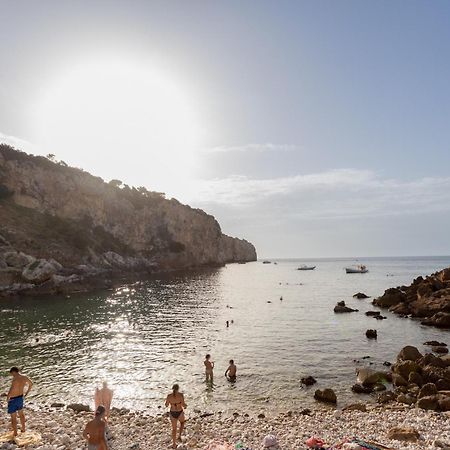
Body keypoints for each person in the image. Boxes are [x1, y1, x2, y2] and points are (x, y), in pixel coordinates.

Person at [6, 367, 33, 437]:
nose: (12, 375)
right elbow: (31, 384)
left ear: (14, 372)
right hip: (20, 397)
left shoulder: (15, 379)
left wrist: (7, 398)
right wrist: (27, 393)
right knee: (21, 413)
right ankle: (23, 428)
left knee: (13, 417)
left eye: (12, 374)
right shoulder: (25, 377)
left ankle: (15, 433)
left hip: (13, 399)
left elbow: (11, 389)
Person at [165, 384, 187, 449]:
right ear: (178, 389)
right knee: (182, 422)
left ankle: (174, 443)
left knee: (174, 429)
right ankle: (179, 435)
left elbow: (166, 405)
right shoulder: (181, 395)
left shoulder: (169, 396)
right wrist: (185, 406)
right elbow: (183, 404)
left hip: (172, 413)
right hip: (179, 412)